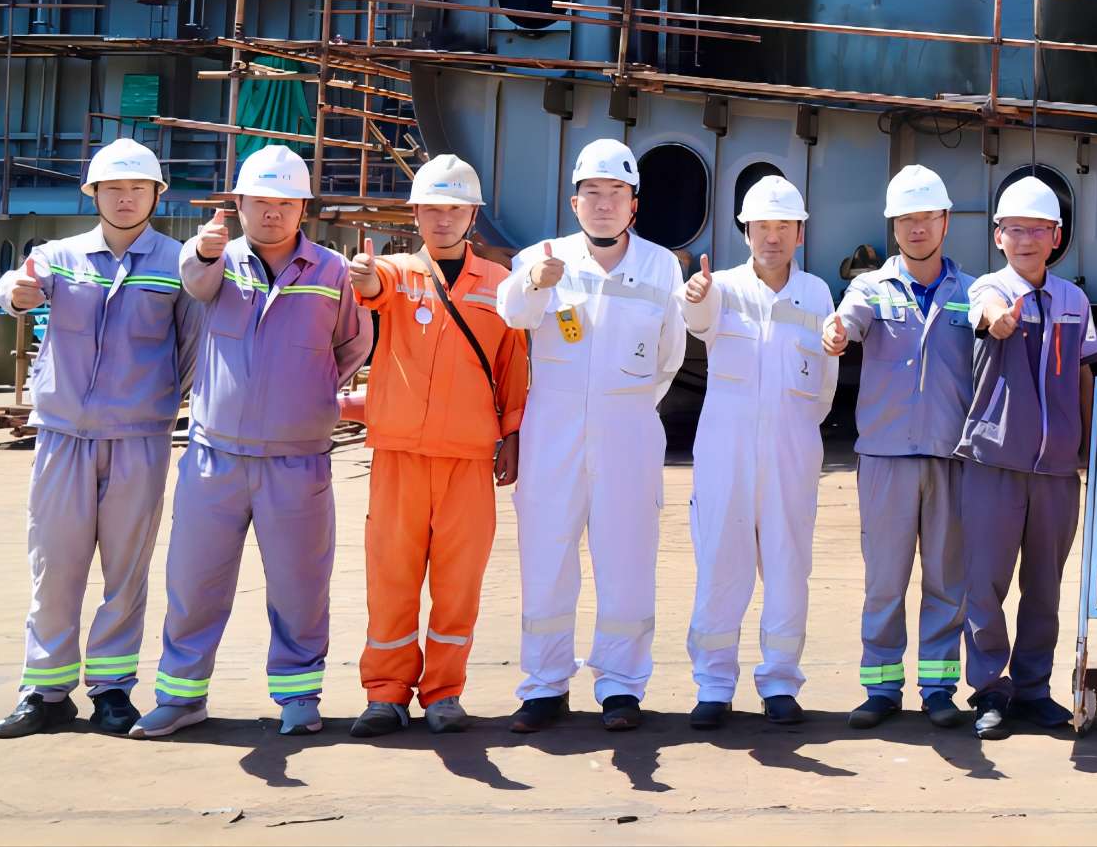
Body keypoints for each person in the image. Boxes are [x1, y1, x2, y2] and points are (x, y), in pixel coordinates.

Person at [135, 144, 373, 738]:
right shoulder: (215, 262)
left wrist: (306, 391)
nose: (273, 212)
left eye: (286, 202)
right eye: (261, 201)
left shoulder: (331, 272)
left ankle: (298, 695)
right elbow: (193, 282)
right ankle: (181, 695)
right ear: (238, 203)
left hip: (297, 459)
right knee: (194, 582)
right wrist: (204, 250)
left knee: (300, 585)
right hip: (214, 457)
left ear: (303, 209)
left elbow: (353, 345)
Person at [0, 141, 199, 739]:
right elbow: (17, 286)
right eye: (113, 188)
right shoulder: (57, 256)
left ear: (157, 195)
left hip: (139, 439)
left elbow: (192, 346)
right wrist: (15, 294)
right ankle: (45, 691)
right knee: (54, 564)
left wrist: (157, 402)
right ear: (94, 194)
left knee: (125, 570)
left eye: (138, 188)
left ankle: (112, 690)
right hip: (63, 436)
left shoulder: (179, 263)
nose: (126, 197)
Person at [496, 137, 687, 734]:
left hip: (629, 429)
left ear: (634, 204)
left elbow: (670, 356)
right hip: (553, 432)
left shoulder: (660, 266)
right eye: (593, 193)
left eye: (616, 193)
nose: (604, 204)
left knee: (627, 560)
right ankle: (544, 686)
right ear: (574, 202)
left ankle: (621, 685)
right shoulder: (541, 257)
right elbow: (513, 314)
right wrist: (535, 283)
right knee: (546, 557)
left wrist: (624, 406)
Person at [346, 155, 527, 737]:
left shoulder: (500, 286)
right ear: (416, 214)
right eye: (431, 209)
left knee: (458, 583)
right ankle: (385, 693)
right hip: (400, 455)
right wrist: (365, 278)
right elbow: (374, 288)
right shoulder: (398, 272)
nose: (442, 219)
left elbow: (513, 366)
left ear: (472, 216)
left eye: (454, 209)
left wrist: (513, 434)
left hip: (469, 459)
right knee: (391, 578)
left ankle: (445, 693)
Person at [679, 173, 838, 729]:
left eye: (783, 227)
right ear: (745, 231)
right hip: (725, 451)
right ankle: (714, 684)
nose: (772, 237)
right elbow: (697, 322)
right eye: (762, 226)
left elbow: (825, 381)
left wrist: (795, 430)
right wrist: (696, 297)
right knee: (720, 564)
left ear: (800, 234)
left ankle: (780, 682)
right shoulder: (718, 287)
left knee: (789, 566)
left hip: (792, 448)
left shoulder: (816, 294)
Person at [823, 164, 973, 731]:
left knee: (946, 580)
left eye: (926, 217)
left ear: (945, 221)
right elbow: (849, 321)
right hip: (885, 457)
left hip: (950, 457)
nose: (917, 228)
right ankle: (882, 687)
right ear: (893, 225)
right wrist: (836, 332)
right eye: (906, 219)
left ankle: (939, 688)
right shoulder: (870, 288)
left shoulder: (970, 292)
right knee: (884, 580)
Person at [958, 174, 1097, 740]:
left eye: (1037, 230)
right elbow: (986, 310)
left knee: (1045, 587)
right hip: (994, 463)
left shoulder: (1073, 301)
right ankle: (991, 691)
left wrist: (1088, 449)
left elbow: (1087, 375)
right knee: (985, 584)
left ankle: (1035, 689)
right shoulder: (986, 287)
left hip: (1057, 470)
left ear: (1056, 237)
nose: (1026, 240)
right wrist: (999, 318)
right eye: (1014, 230)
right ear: (998, 236)